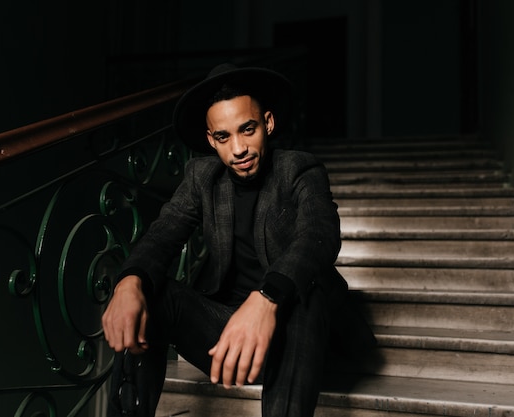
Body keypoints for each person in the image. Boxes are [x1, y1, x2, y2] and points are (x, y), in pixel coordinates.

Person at [102, 62, 375, 417]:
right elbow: (164, 233)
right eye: (223, 137)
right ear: (210, 139)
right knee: (149, 293)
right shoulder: (203, 177)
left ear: (269, 124)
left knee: (305, 289)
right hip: (227, 331)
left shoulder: (299, 169)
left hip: (298, 338)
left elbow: (318, 235)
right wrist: (129, 281)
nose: (238, 149)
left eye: (248, 130)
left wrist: (266, 298)